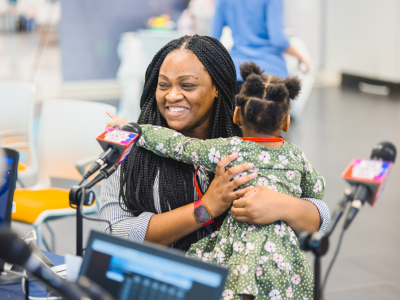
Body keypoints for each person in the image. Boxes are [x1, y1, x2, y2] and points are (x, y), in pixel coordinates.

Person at [101, 35, 329, 255]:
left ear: (217, 88)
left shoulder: (250, 144)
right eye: (163, 85)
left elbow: (320, 218)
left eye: (187, 85)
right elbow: (113, 232)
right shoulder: (131, 146)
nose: (171, 96)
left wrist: (283, 206)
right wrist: (205, 208)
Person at [126, 62, 323, 299]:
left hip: (238, 245)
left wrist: (137, 130)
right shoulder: (296, 155)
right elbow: (317, 189)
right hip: (282, 250)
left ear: (237, 114)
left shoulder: (229, 150)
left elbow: (178, 146)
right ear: (285, 122)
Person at [209, 0, 310, 93]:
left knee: (237, 113)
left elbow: (212, 42)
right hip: (271, 75)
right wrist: (301, 57)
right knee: (293, 111)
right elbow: (278, 40)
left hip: (237, 74)